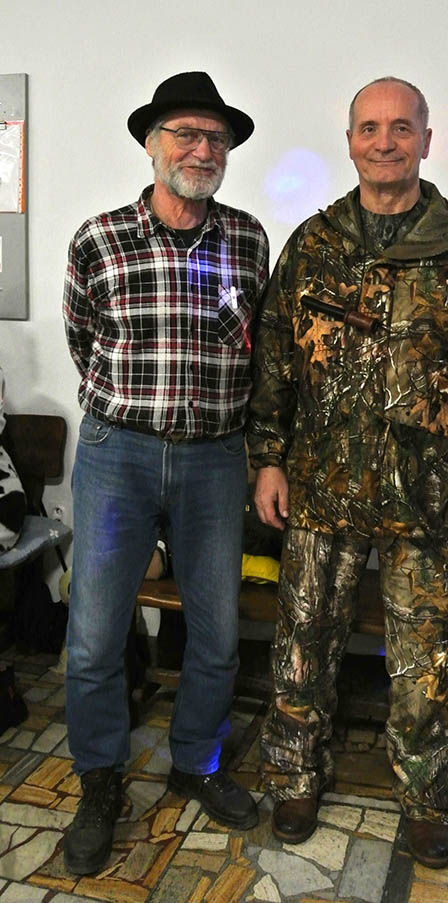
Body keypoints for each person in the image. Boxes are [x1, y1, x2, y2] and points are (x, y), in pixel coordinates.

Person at [247, 76, 448, 869]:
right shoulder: (312, 245)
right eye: (370, 128)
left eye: (400, 128)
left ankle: (427, 796)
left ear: (425, 141)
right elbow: (272, 365)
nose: (385, 141)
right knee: (302, 647)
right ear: (350, 142)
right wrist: (266, 459)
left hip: (430, 499)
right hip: (322, 489)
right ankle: (295, 775)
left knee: (429, 664)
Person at [62, 71, 269, 876]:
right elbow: (84, 340)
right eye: (185, 133)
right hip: (117, 452)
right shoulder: (99, 238)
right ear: (152, 145)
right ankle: (100, 779)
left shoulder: (248, 240)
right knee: (93, 636)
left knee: (217, 633)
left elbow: (258, 351)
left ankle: (195, 762)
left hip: (216, 459)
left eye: (215, 138)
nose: (202, 149)